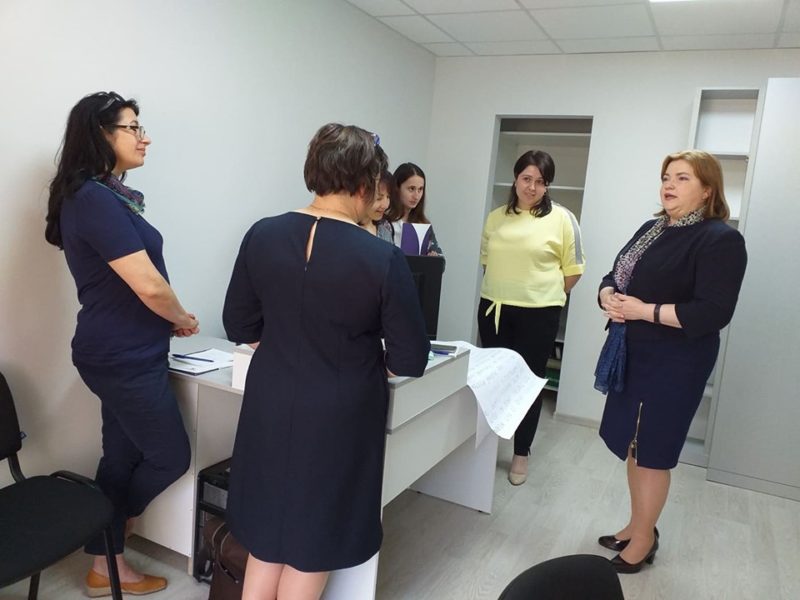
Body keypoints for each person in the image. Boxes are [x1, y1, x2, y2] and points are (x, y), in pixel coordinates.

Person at [222, 123, 430, 600]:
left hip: (270, 398)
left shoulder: (262, 234)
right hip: (341, 412)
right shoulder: (381, 258)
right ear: (365, 183)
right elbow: (409, 357)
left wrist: (290, 348)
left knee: (268, 533)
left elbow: (240, 323)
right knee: (313, 539)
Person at [44, 91, 197, 596]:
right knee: (170, 457)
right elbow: (148, 285)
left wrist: (166, 322)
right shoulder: (92, 198)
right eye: (133, 128)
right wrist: (180, 318)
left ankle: (104, 566)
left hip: (127, 350)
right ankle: (107, 533)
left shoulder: (106, 196)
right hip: (121, 355)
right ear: (101, 134)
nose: (144, 137)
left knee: (121, 458)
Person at [594, 150, 747, 573]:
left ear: (707, 190)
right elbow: (615, 275)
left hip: (676, 362)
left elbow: (713, 312)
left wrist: (643, 311)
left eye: (682, 178)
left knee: (653, 450)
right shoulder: (652, 229)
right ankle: (637, 525)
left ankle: (644, 540)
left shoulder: (720, 239)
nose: (669, 184)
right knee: (632, 442)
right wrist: (607, 295)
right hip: (632, 352)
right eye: (666, 176)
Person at [477, 150, 585, 486]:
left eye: (541, 181)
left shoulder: (563, 219)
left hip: (539, 314)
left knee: (529, 383)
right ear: (515, 179)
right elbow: (487, 262)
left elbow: (573, 271)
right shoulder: (496, 218)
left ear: (547, 185)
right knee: (493, 381)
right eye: (526, 178)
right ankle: (486, 448)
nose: (532, 187)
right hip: (495, 309)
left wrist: (541, 295)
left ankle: (521, 453)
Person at [385, 162, 444, 256]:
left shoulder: (423, 224)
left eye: (420, 189)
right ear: (397, 188)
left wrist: (433, 257)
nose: (416, 196)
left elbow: (439, 258)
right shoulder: (384, 221)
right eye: (411, 189)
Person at [361, 169, 393, 242]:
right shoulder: (348, 229)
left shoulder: (385, 229)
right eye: (379, 198)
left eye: (388, 197)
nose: (385, 205)